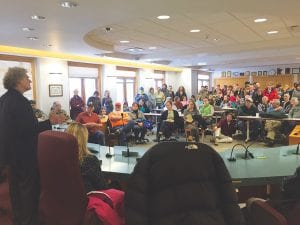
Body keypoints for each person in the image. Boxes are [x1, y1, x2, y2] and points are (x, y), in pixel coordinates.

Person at [0, 67, 39, 225]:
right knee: (27, 192)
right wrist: (50, 123)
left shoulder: (4, 99)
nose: (29, 80)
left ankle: (19, 219)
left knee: (15, 190)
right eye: (27, 78)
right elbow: (29, 129)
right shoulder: (21, 102)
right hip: (24, 155)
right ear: (18, 80)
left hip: (10, 155)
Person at [66, 122, 107, 193]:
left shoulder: (58, 158)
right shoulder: (90, 160)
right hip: (88, 199)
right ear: (85, 138)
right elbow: (102, 188)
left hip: (65, 198)